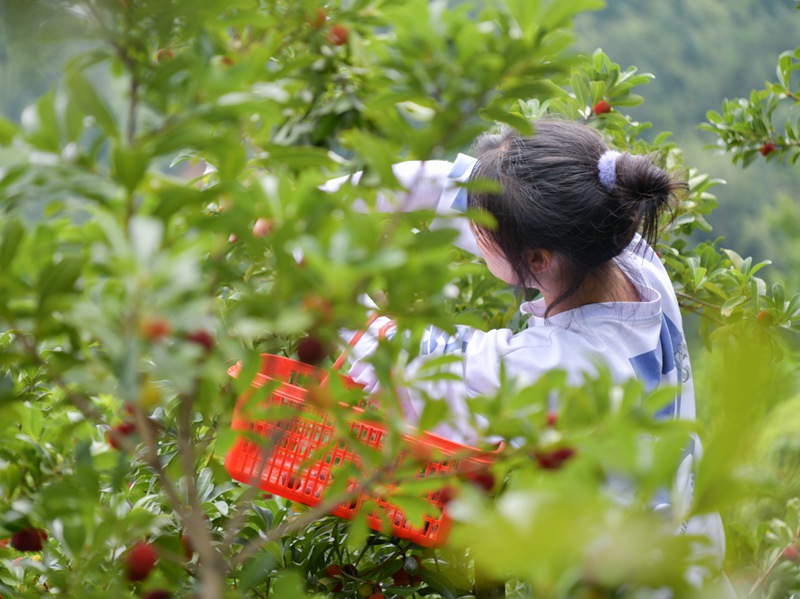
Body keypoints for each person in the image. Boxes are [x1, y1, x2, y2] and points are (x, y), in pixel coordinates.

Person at [324, 117, 729, 591]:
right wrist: (327, 199)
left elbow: (384, 352)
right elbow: (446, 186)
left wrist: (302, 250)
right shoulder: (629, 254)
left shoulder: (555, 365)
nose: (473, 230)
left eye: (483, 229)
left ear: (538, 259)